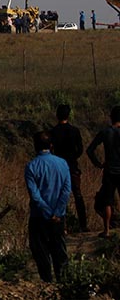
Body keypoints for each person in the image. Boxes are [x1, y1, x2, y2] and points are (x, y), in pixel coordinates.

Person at [25, 131, 71, 282]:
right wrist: (57, 212)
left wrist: (47, 211)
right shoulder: (62, 163)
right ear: (51, 146)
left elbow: (35, 195)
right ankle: (63, 282)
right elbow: (66, 189)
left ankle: (47, 282)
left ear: (35, 146)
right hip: (59, 216)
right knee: (59, 250)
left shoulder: (31, 166)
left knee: (41, 251)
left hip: (39, 216)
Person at [50, 104, 88, 232]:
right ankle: (83, 225)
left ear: (57, 115)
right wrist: (73, 157)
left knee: (60, 196)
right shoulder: (75, 130)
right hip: (72, 166)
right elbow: (80, 149)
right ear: (69, 115)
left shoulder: (53, 132)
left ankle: (62, 226)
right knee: (78, 195)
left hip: (58, 167)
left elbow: (51, 150)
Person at [86, 106, 120, 238]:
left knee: (107, 201)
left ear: (111, 117)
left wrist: (98, 164)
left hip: (109, 170)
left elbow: (90, 150)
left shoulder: (105, 132)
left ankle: (106, 230)